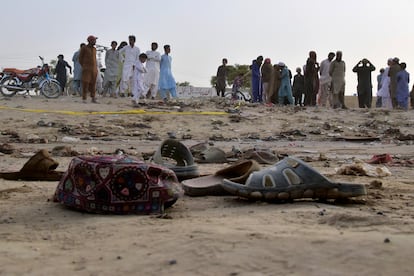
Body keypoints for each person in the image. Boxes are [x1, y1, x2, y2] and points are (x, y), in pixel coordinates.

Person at [79, 35, 99, 103]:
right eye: (94, 40)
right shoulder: (84, 48)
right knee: (85, 83)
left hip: (94, 69)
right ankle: (84, 98)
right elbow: (80, 59)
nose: (95, 42)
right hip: (86, 69)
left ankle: (93, 98)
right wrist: (84, 66)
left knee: (93, 84)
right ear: (90, 41)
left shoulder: (94, 49)